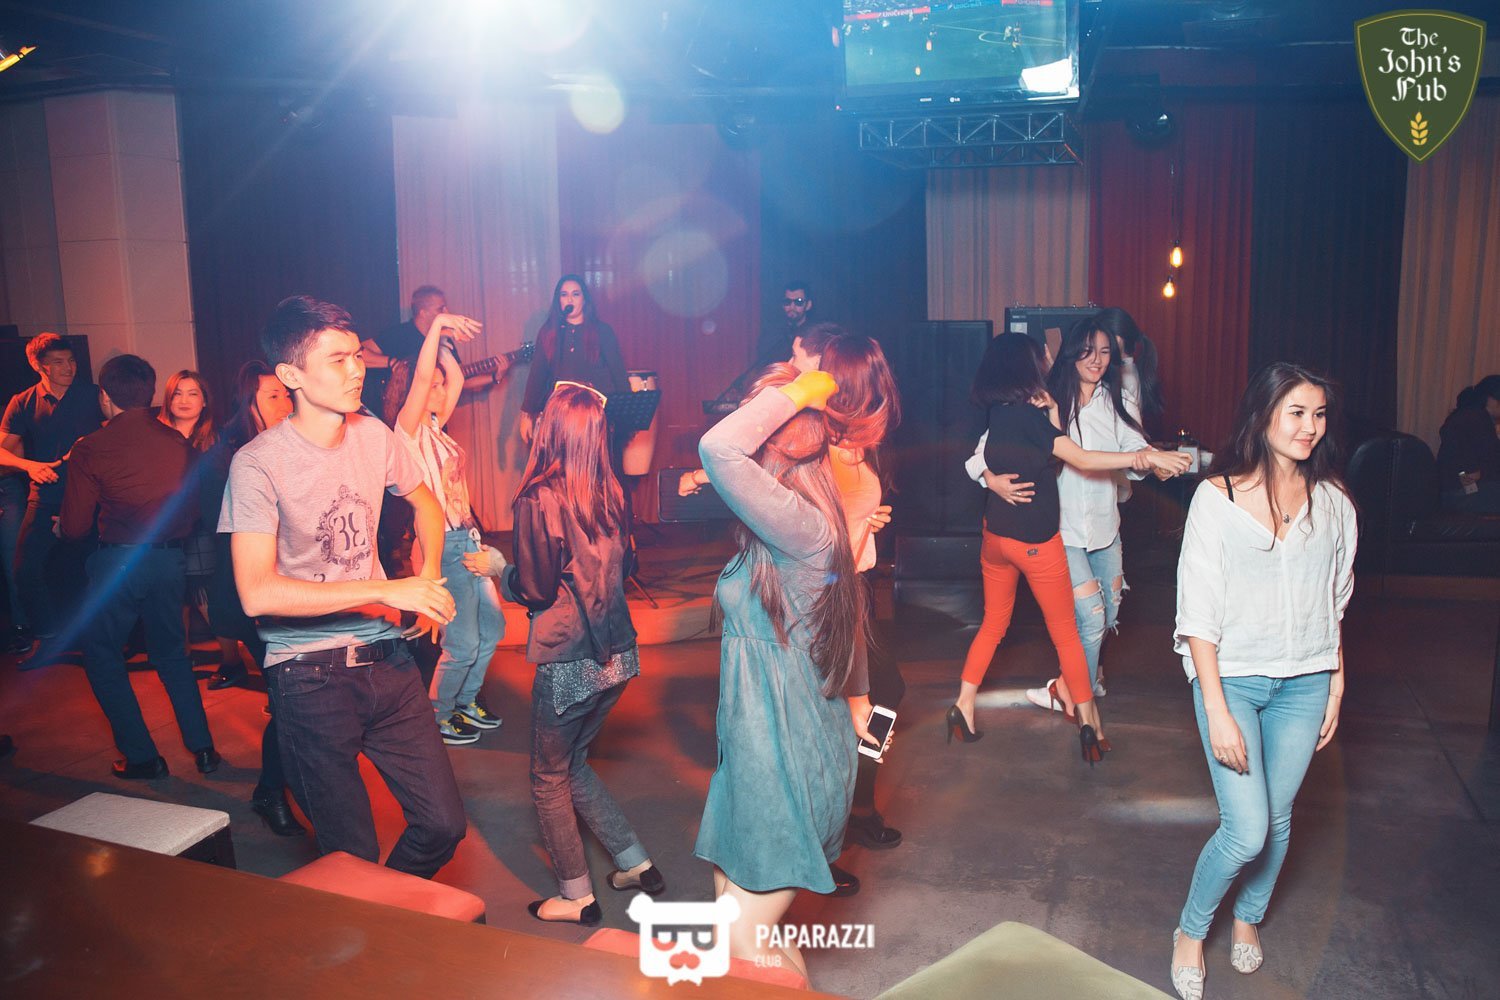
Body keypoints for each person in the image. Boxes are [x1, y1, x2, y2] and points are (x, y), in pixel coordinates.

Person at [221, 295, 466, 877]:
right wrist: (385, 591)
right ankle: (372, 918)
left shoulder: (373, 435)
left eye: (357, 355)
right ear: (291, 375)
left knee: (442, 825)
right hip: (308, 676)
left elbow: (427, 505)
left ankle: (389, 909)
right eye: (337, 360)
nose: (356, 369)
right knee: (350, 857)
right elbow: (256, 592)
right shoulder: (257, 464)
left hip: (389, 663)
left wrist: (427, 578)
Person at [1168, 362, 1355, 1000]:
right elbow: (1197, 612)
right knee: (1245, 828)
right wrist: (1216, 707)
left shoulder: (1333, 504)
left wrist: (1335, 682)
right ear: (1264, 414)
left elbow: (1334, 600)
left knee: (1277, 819)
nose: (1310, 427)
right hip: (1234, 682)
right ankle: (1191, 932)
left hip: (1306, 681)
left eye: (1319, 414)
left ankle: (1247, 920)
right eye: (1296, 412)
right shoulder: (1215, 499)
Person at [695, 363, 881, 978]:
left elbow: (719, 448)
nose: (744, 425)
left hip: (786, 757)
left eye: (758, 414)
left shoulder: (804, 529)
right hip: (750, 753)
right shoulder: (786, 526)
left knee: (743, 943)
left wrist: (801, 391)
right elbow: (843, 613)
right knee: (740, 941)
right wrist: (859, 696)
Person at [469, 381, 662, 925]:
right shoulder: (612, 491)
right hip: (618, 656)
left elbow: (533, 588)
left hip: (571, 660)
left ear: (550, 430)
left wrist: (497, 568)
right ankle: (635, 862)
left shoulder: (538, 498)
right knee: (572, 763)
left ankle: (576, 896)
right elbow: (626, 566)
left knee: (548, 777)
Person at [949, 333, 1188, 760]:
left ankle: (963, 705)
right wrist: (1144, 458)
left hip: (995, 539)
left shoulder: (999, 414)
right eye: (1040, 354)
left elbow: (1046, 456)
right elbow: (1081, 459)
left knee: (993, 624)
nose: (1047, 357)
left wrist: (1053, 416)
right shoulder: (1032, 420)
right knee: (1067, 636)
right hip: (1035, 544)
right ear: (1026, 365)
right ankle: (1089, 722)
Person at [972, 317, 1166, 708]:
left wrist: (1151, 459)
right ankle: (1077, 697)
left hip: (1106, 527)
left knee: (1108, 613)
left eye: (1105, 352)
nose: (1097, 360)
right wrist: (990, 479)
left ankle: (1073, 682)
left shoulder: (1119, 401)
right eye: (1088, 351)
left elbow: (1134, 450)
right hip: (1062, 529)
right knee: (1091, 617)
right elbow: (982, 451)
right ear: (1072, 353)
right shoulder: (1043, 398)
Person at [59, 354, 218, 779]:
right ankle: (204, 749)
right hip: (169, 560)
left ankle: (143, 758)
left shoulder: (90, 447)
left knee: (102, 656)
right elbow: (193, 512)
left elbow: (75, 528)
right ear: (150, 393)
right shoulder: (178, 444)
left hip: (119, 562)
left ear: (104, 396)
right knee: (173, 655)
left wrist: (63, 526)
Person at [385, 315, 505, 747]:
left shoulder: (436, 427)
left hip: (468, 540)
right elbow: (423, 379)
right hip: (444, 546)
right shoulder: (407, 432)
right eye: (431, 386)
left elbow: (454, 378)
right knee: (463, 642)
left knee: (492, 630)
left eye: (438, 386)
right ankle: (439, 714)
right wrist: (435, 326)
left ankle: (466, 701)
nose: (439, 390)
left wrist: (448, 346)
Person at [199, 361, 303, 835]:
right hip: (256, 598)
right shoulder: (229, 458)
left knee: (296, 698)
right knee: (289, 698)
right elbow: (227, 538)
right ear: (249, 403)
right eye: (272, 396)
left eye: (286, 394)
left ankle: (287, 784)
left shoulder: (290, 445)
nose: (285, 403)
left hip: (292, 594)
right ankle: (271, 791)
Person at [818, 333, 904, 859]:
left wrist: (868, 522)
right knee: (855, 707)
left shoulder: (854, 443)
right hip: (834, 596)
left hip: (853, 587)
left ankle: (856, 808)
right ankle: (838, 826)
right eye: (875, 381)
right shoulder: (821, 449)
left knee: (885, 692)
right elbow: (822, 551)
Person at [0, 333, 102, 664]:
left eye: (71, 361)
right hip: (44, 496)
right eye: (58, 363)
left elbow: (119, 432)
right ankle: (48, 640)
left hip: (88, 495)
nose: (68, 368)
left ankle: (101, 643)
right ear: (37, 365)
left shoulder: (92, 395)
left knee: (90, 571)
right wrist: (29, 465)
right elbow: (2, 450)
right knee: (24, 570)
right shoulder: (23, 401)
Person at [519, 275, 628, 447]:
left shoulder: (602, 331)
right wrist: (527, 415)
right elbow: (537, 376)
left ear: (584, 299)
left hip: (595, 418)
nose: (570, 299)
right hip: (561, 418)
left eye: (575, 294)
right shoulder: (549, 332)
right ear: (559, 301)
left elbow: (619, 375)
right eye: (564, 295)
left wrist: (626, 417)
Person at [361, 285, 497, 411]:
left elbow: (458, 379)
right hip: (401, 413)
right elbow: (359, 352)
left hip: (432, 413)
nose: (447, 312)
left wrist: (494, 377)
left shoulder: (443, 338)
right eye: (440, 309)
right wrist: (392, 362)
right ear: (423, 313)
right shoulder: (399, 334)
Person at [1436, 376, 1500, 514]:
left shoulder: (1468, 416)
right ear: (1491, 400)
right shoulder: (1477, 420)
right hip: (1458, 494)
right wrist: (1469, 482)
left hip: (1453, 492)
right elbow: (1470, 473)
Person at [755, 280, 815, 368]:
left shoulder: (815, 335)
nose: (792, 307)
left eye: (799, 302)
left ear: (808, 305)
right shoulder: (772, 334)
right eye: (787, 302)